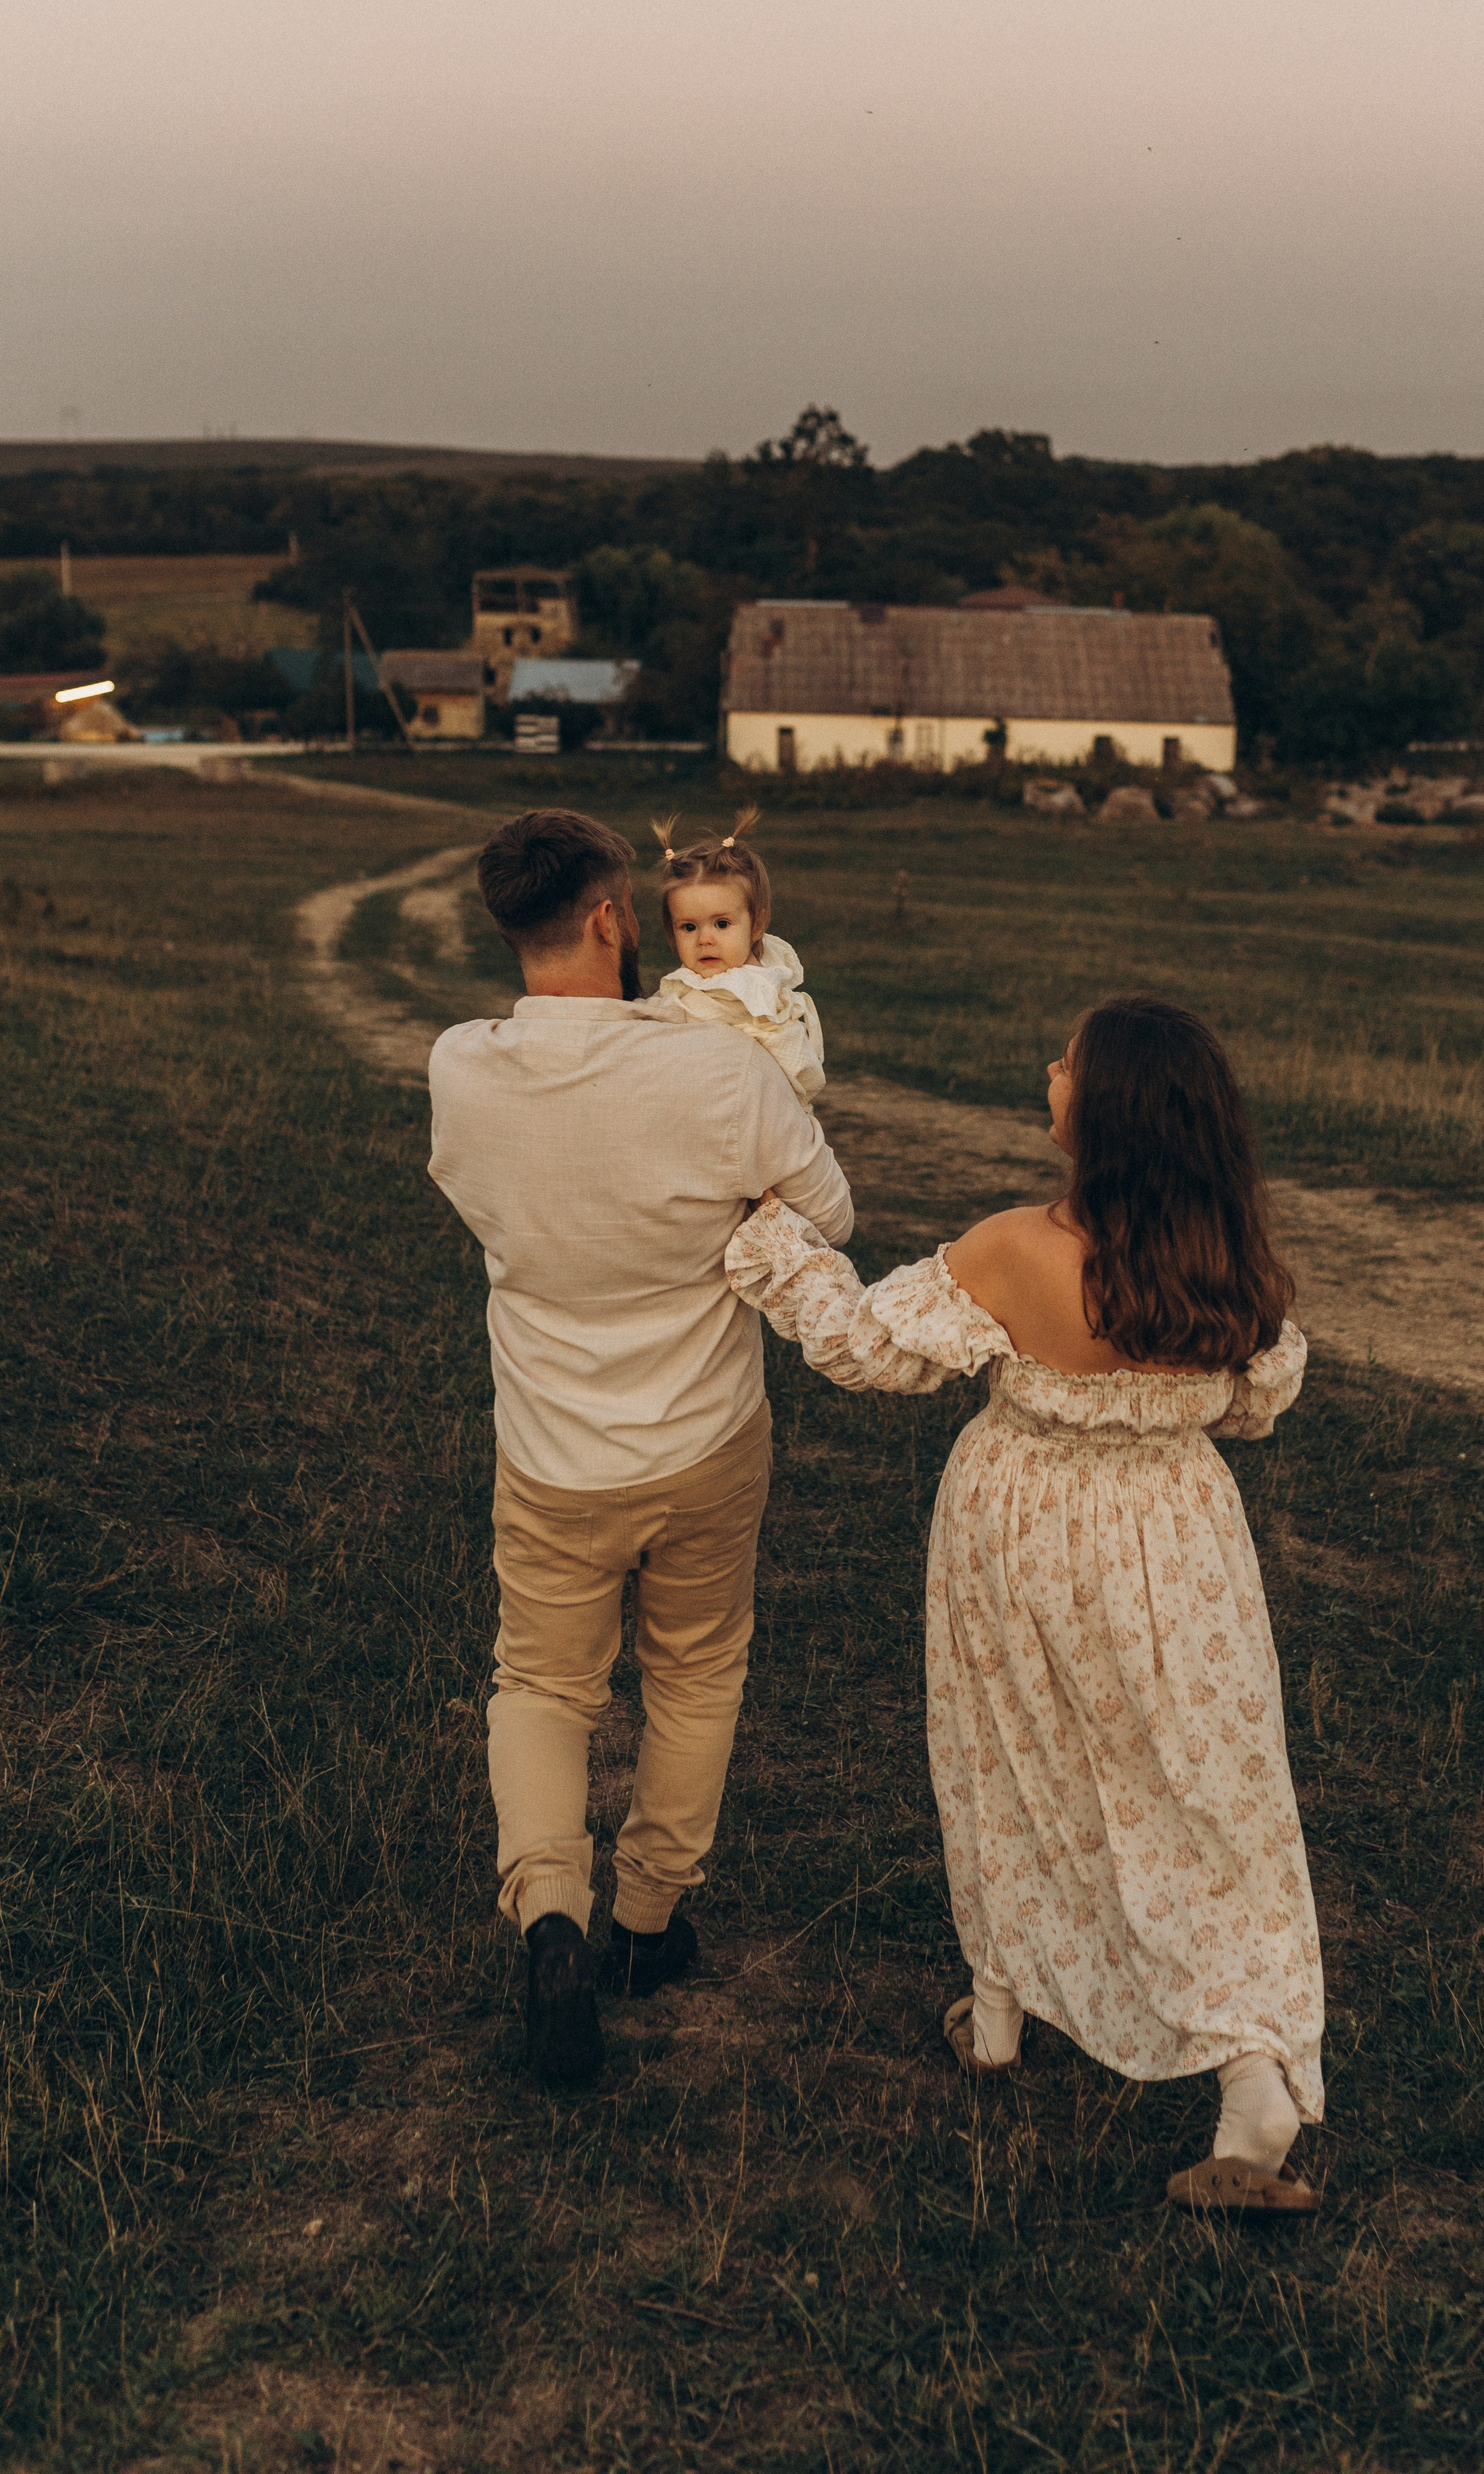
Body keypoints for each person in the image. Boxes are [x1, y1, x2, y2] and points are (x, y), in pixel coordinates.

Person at [726, 994, 1323, 2213]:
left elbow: (863, 1348)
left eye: (1068, 1061)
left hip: (1022, 1529)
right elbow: (1259, 1396)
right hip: (1181, 1542)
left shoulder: (1014, 1247)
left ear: (1102, 1114)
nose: (1049, 1069)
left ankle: (997, 2011)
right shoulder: (1232, 1255)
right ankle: (1253, 2071)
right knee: (1210, 1790)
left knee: (1012, 1759)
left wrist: (776, 1241)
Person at [427, 808, 853, 2091]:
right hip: (706, 1438)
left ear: (512, 924)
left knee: (544, 1685)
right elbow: (829, 1214)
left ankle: (547, 1905)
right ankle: (648, 1924)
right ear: (617, 919)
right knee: (696, 1672)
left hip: (552, 1448)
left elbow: (474, 1196)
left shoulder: (460, 1064)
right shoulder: (719, 1075)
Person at [650, 804, 825, 1104]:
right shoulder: (688, 987)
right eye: (689, 927)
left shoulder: (755, 989)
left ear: (757, 924)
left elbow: (796, 1065)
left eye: (721, 924)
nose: (705, 939)